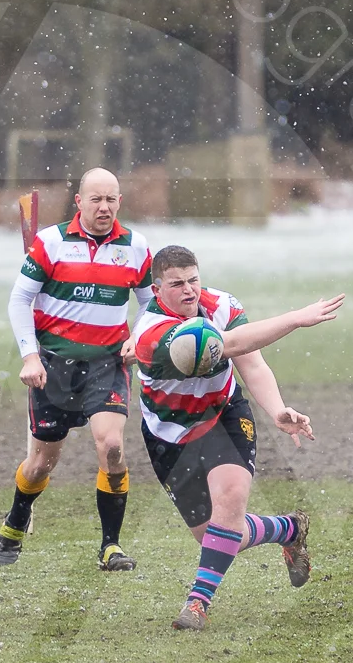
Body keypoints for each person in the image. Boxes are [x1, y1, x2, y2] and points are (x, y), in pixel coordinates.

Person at [127, 247, 335, 630]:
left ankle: (197, 604)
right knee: (220, 537)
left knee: (231, 498)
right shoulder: (149, 333)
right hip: (168, 435)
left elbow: (250, 361)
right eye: (176, 284)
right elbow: (231, 344)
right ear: (156, 289)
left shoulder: (220, 304)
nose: (189, 290)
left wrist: (277, 411)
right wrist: (295, 319)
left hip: (223, 415)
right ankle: (289, 528)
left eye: (193, 279)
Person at [0, 168, 153, 571]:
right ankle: (15, 521)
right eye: (96, 199)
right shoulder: (50, 242)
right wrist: (30, 356)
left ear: (120, 202)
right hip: (53, 365)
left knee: (112, 447)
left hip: (108, 364)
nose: (104, 207)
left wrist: (140, 337)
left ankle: (110, 546)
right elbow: (20, 301)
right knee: (41, 464)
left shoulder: (136, 247)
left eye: (111, 199)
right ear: (79, 202)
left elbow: (151, 304)